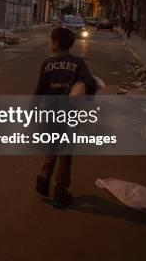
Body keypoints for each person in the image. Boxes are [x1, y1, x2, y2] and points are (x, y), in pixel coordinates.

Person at [33, 26, 97, 208]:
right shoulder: (78, 63)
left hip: (50, 113)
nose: (49, 43)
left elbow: (39, 91)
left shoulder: (46, 64)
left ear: (56, 43)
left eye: (50, 40)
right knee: (66, 155)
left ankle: (45, 177)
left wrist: (33, 111)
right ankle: (60, 193)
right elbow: (90, 83)